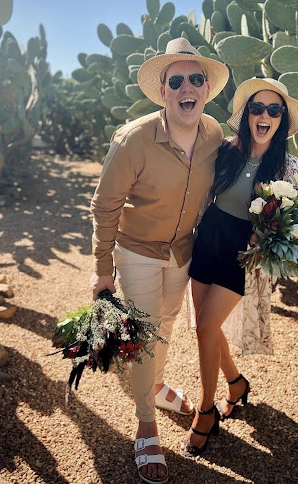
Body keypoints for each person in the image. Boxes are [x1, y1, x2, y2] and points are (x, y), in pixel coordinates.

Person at [90, 38, 229, 483]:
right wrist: (101, 270)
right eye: (176, 81)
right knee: (147, 332)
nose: (186, 87)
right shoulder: (133, 140)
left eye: (195, 79)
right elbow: (104, 205)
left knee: (167, 323)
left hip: (182, 251)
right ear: (164, 92)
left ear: (205, 88)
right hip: (138, 251)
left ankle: (152, 385)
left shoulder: (214, 135)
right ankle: (146, 423)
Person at [181, 78, 298, 457]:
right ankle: (236, 385)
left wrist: (266, 240)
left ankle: (206, 411)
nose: (264, 115)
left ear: (282, 119)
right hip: (208, 238)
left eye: (274, 110)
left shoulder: (291, 168)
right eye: (257, 108)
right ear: (247, 114)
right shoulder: (225, 151)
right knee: (205, 325)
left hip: (243, 255)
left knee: (206, 326)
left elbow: (297, 225)